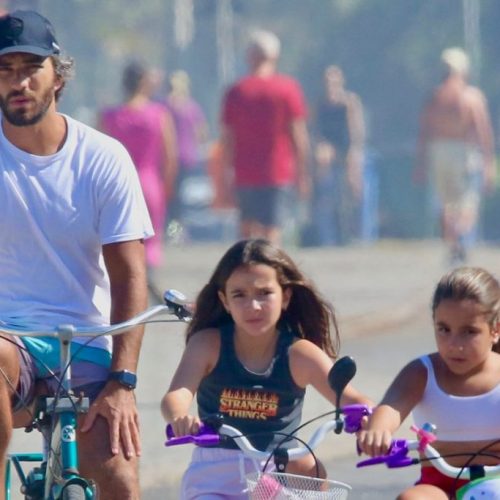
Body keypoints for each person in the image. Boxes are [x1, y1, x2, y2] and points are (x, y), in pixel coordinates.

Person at [0, 10, 154, 499]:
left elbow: (130, 277)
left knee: (121, 482)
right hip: (8, 346)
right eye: (4, 70)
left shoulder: (102, 158)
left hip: (84, 347)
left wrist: (123, 383)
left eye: (31, 68)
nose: (18, 81)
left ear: (57, 77)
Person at [161, 238, 372, 499]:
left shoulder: (300, 354)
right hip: (214, 477)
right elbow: (176, 395)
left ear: (286, 296)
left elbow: (352, 399)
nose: (254, 306)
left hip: (275, 475)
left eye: (264, 293)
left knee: (311, 470)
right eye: (239, 295)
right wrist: (180, 416)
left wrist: (366, 420)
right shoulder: (207, 344)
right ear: (224, 300)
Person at [357, 266, 500, 499]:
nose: (454, 344)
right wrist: (378, 429)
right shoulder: (422, 372)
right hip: (437, 485)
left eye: (469, 332)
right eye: (444, 329)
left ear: (495, 330)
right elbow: (392, 406)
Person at [220, 30, 311, 246]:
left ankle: (245, 276)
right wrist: (303, 174)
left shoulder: (236, 92)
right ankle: (269, 276)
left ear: (249, 57)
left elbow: (227, 140)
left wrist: (225, 176)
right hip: (277, 173)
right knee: (272, 236)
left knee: (246, 237)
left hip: (245, 174)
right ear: (275, 56)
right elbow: (298, 136)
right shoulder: (288, 89)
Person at [100, 60, 177, 298]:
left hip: (118, 184)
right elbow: (170, 156)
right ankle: (146, 282)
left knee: (118, 235)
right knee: (150, 239)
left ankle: (127, 286)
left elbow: (99, 155)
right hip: (149, 181)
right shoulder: (158, 114)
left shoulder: (110, 116)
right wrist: (167, 186)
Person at [415, 47, 496, 265]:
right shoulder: (471, 97)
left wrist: (420, 164)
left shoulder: (434, 97)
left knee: (445, 203)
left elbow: (424, 132)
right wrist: (488, 163)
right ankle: (460, 235)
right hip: (463, 152)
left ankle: (453, 243)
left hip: (438, 152)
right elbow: (483, 131)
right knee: (468, 200)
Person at [313, 65, 366, 246]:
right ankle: (327, 234)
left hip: (348, 148)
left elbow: (356, 132)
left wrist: (352, 156)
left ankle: (356, 232)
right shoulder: (320, 104)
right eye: (327, 82)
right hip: (329, 150)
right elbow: (318, 132)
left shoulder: (349, 102)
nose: (330, 85)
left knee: (354, 187)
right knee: (325, 178)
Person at [164, 70, 209, 233]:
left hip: (167, 158)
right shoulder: (191, 107)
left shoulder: (163, 106)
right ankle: (177, 228)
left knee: (171, 195)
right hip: (186, 157)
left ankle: (172, 228)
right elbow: (202, 132)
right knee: (179, 194)